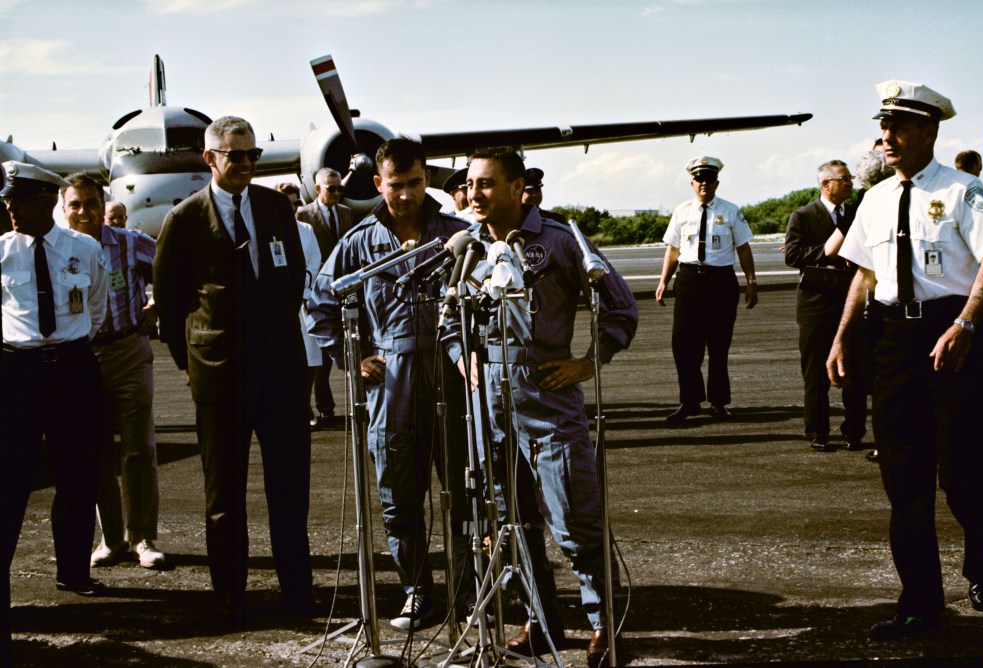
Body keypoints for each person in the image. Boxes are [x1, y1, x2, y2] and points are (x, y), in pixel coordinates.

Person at [826, 81, 983, 641]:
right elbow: (863, 273)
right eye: (884, 127)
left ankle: (977, 555)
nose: (887, 137)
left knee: (961, 474)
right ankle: (919, 604)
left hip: (950, 338)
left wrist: (966, 323)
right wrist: (839, 338)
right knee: (904, 481)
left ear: (929, 132)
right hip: (893, 344)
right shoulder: (875, 199)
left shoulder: (963, 190)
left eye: (899, 128)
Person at [445, 146, 638, 667]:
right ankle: (538, 618)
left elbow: (619, 306)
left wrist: (588, 363)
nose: (476, 194)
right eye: (471, 184)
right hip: (489, 407)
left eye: (487, 184)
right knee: (508, 522)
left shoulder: (558, 240)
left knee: (574, 519)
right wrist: (465, 358)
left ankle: (605, 624)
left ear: (516, 187)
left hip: (549, 399)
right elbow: (447, 320)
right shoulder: (465, 248)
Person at [153, 116, 317, 623]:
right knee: (224, 497)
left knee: (289, 490)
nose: (246, 164)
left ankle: (298, 595)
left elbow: (291, 279)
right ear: (210, 159)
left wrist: (278, 342)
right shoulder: (183, 219)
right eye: (235, 156)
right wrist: (198, 365)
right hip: (220, 377)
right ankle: (230, 598)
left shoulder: (274, 208)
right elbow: (170, 301)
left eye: (253, 156)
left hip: (281, 375)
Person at [309, 138, 471, 630]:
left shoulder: (457, 234)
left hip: (453, 376)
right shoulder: (358, 242)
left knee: (466, 492)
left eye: (416, 183)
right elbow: (319, 303)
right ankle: (417, 590)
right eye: (396, 185)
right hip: (392, 385)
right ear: (378, 183)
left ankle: (468, 592)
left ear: (429, 180)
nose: (406, 195)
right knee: (399, 496)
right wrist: (353, 356)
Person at [1, 161, 108, 663]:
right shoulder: (1, 251)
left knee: (79, 470)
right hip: (17, 371)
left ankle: (74, 571)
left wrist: (70, 346)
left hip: (72, 366)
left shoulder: (83, 248)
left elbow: (98, 305)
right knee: (11, 477)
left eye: (16, 200)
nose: (8, 208)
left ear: (45, 200)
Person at [60, 173, 165, 571]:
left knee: (138, 448)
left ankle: (143, 537)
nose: (83, 212)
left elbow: (169, 270)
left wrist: (158, 307)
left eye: (90, 203)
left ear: (101, 205)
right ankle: (113, 538)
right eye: (75, 205)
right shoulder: (57, 248)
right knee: (95, 451)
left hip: (126, 349)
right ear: (64, 208)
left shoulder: (129, 242)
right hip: (79, 355)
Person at [657, 156, 757, 423]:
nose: (704, 184)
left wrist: (751, 281)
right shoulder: (681, 211)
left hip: (721, 281)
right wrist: (664, 280)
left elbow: (744, 248)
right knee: (684, 345)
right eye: (699, 179)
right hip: (689, 280)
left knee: (718, 346)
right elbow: (673, 249)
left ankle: (719, 402)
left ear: (717, 182)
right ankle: (689, 402)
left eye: (709, 179)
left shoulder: (731, 211)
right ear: (692, 183)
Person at [785, 160, 867, 452]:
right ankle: (818, 432)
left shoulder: (857, 213)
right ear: (825, 184)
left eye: (850, 178)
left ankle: (854, 431)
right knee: (815, 374)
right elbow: (793, 255)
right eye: (844, 179)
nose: (850, 183)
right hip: (816, 305)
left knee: (855, 370)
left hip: (851, 301)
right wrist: (828, 252)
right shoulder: (803, 215)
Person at [825, 148, 894, 463]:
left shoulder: (859, 207)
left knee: (861, 374)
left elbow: (831, 250)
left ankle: (857, 434)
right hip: (896, 301)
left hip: (867, 297)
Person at [297, 168, 353, 426]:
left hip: (342, 287)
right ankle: (315, 404)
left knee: (337, 348)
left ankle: (326, 404)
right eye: (331, 188)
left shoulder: (347, 213)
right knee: (314, 351)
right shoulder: (303, 215)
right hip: (316, 290)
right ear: (318, 189)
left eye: (339, 188)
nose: (337, 193)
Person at [277, 182, 323, 429]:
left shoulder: (306, 229)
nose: (293, 207)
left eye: (296, 202)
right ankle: (289, 406)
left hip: (304, 298)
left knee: (310, 357)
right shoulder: (268, 229)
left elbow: (314, 259)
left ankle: (305, 404)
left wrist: (303, 282)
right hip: (279, 302)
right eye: (288, 202)